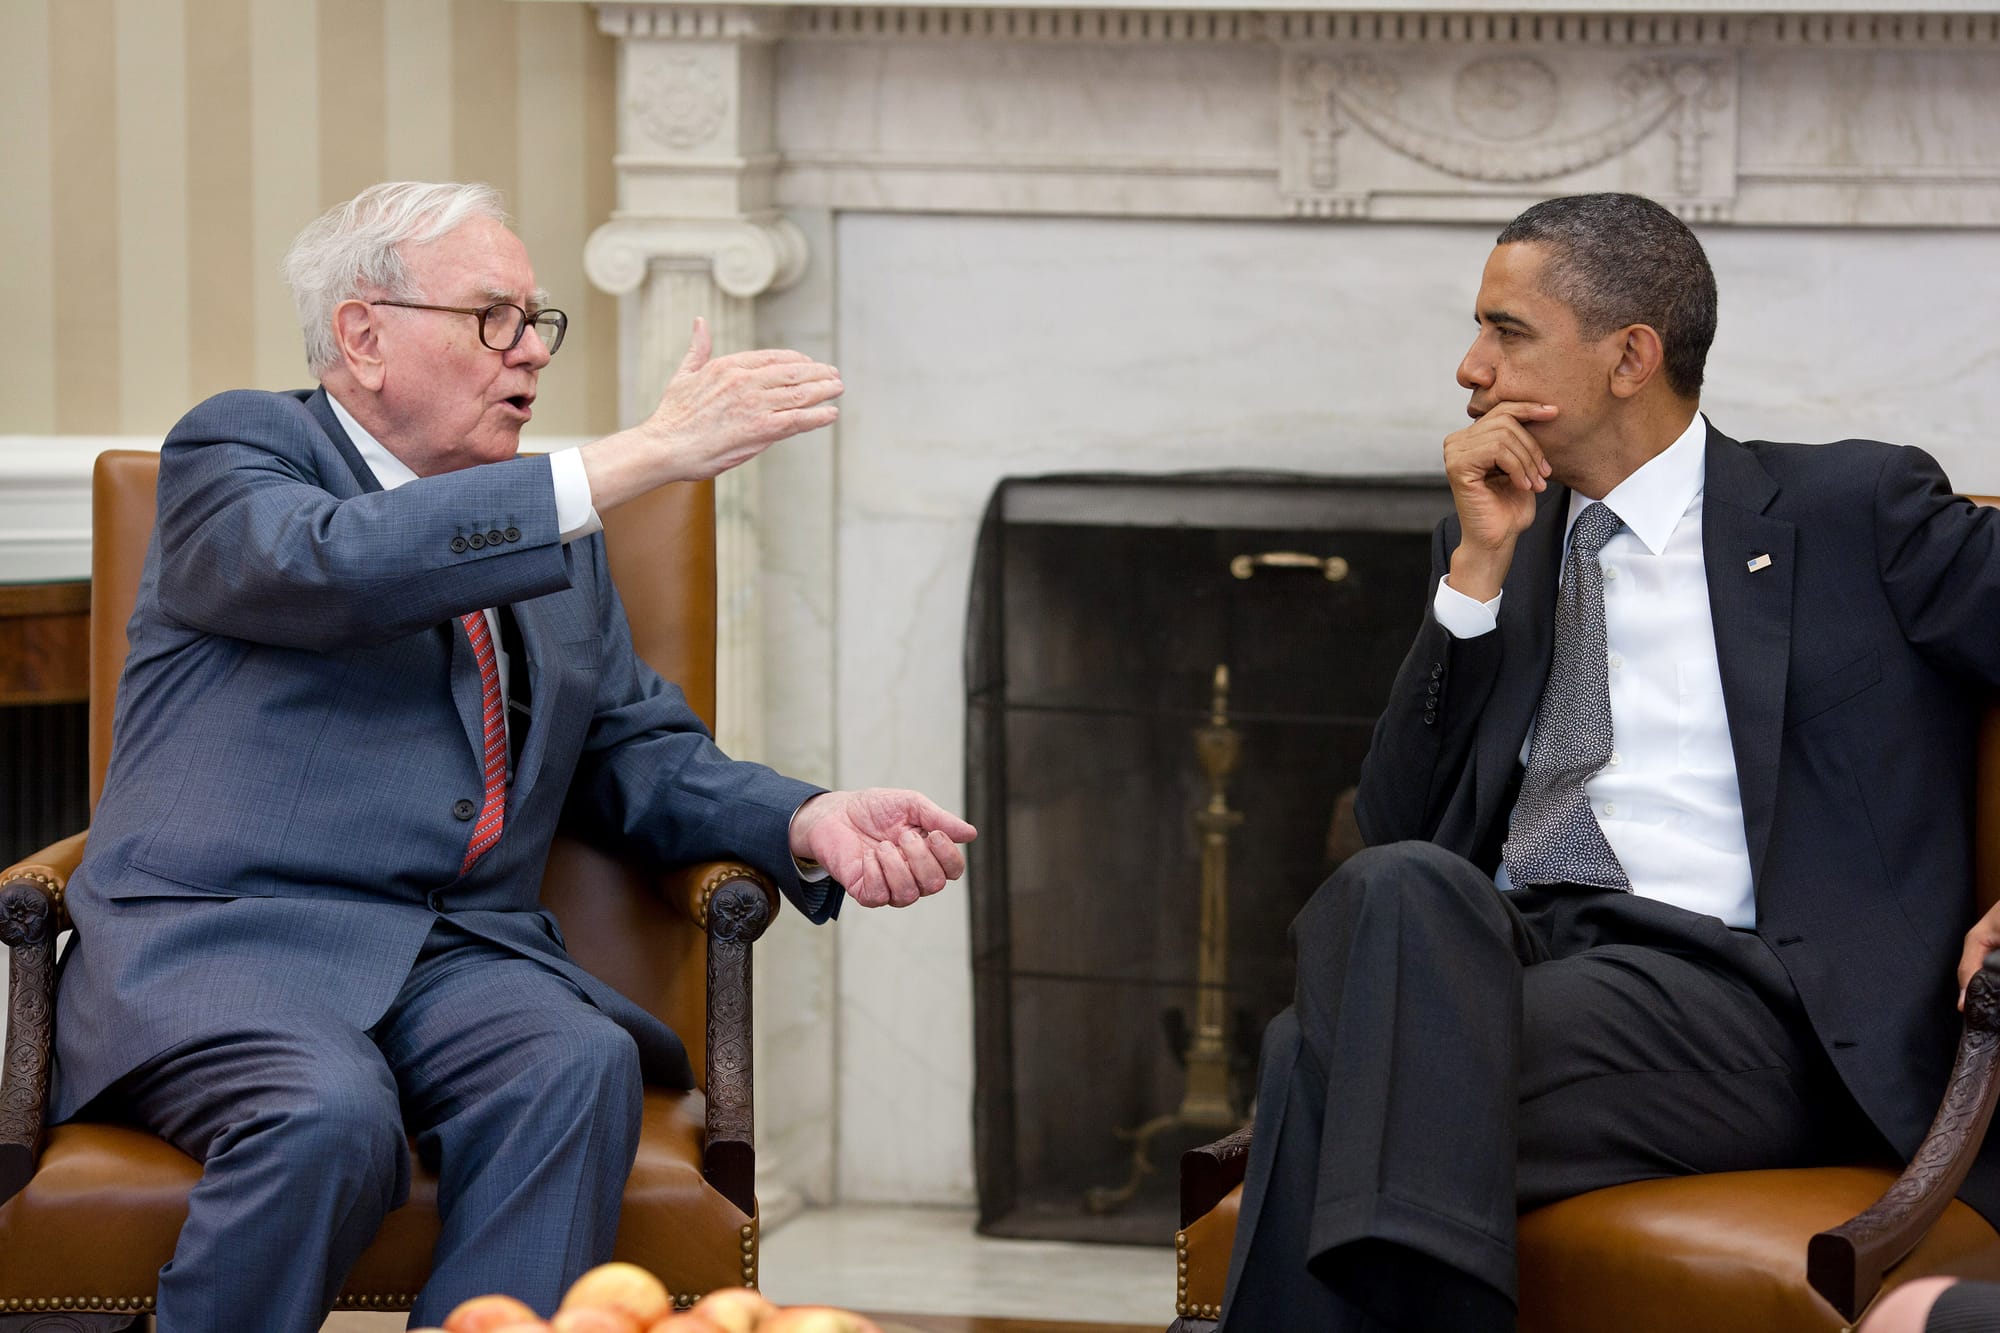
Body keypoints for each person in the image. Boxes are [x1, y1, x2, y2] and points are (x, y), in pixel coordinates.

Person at [48, 181, 976, 1332]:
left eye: (538, 320)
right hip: (226, 942)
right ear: (363, 334)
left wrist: (807, 816)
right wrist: (640, 457)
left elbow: (632, 748)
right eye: (494, 317)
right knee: (324, 1112)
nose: (529, 350)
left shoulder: (558, 548)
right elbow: (337, 564)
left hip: (450, 955)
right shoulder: (242, 454)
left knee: (573, 1063)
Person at [1216, 191, 2000, 1330]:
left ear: (1630, 354)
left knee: (1315, 1057)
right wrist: (1474, 580)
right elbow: (1397, 825)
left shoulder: (1854, 510)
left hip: (1751, 1005)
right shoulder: (1496, 541)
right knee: (1392, 888)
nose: (1466, 367)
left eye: (1506, 330)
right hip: (1519, 957)